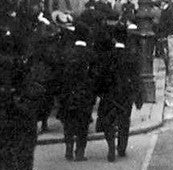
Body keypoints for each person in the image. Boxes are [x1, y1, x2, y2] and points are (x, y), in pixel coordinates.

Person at [95, 23, 140, 162]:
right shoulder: (130, 56)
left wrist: (99, 92)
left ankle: (110, 146)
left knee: (108, 121)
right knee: (124, 121)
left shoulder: (107, 56)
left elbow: (101, 75)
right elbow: (135, 77)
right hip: (125, 94)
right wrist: (138, 95)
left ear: (114, 38)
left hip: (109, 93)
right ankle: (121, 147)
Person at [59, 25, 99, 161]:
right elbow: (94, 77)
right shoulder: (90, 54)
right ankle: (80, 151)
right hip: (84, 95)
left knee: (68, 122)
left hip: (68, 93)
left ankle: (68, 148)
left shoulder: (66, 53)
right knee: (83, 123)